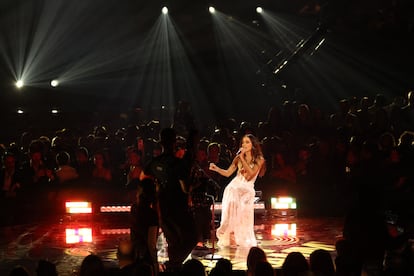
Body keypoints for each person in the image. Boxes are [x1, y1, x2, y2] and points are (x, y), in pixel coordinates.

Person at [140, 127, 197, 272]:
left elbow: (143, 179)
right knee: (191, 237)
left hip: (163, 207)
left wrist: (154, 192)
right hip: (178, 206)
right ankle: (173, 265)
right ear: (174, 142)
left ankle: (173, 268)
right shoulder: (178, 164)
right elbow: (185, 188)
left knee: (173, 241)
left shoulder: (155, 162)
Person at [209, 134, 265, 248]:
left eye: (247, 142)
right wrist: (217, 169)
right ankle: (231, 236)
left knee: (243, 214)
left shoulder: (259, 159)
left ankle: (241, 237)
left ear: (253, 145)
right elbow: (228, 173)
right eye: (243, 142)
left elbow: (251, 174)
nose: (244, 145)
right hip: (234, 187)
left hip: (247, 189)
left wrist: (242, 158)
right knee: (231, 211)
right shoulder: (238, 158)